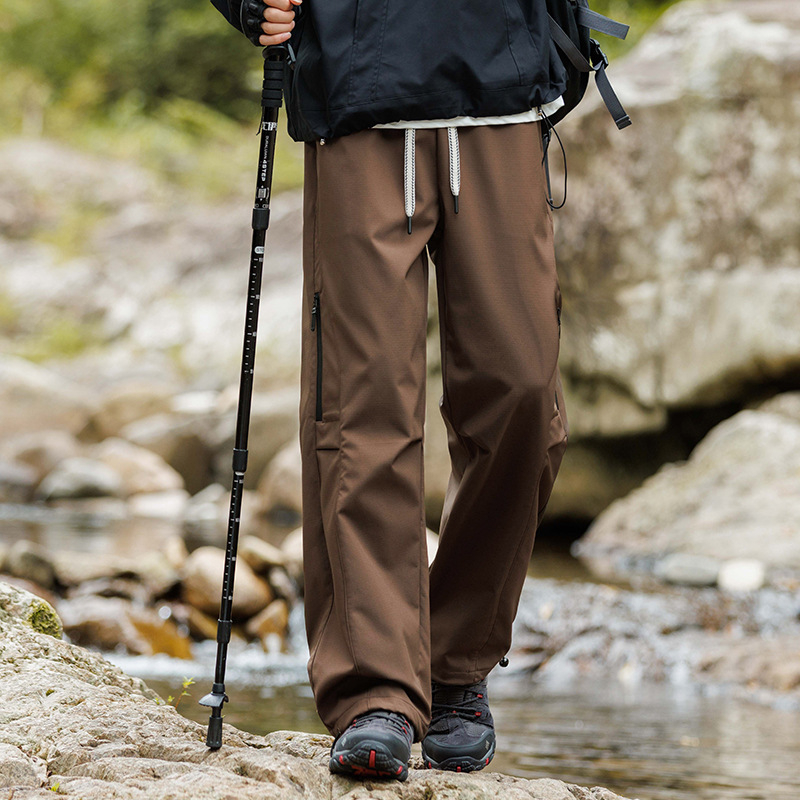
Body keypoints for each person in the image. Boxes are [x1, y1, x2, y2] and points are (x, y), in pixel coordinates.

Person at [210, 0, 570, 782]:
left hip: (502, 81)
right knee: (363, 401)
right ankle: (376, 688)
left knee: (522, 390)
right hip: (358, 85)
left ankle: (455, 659)